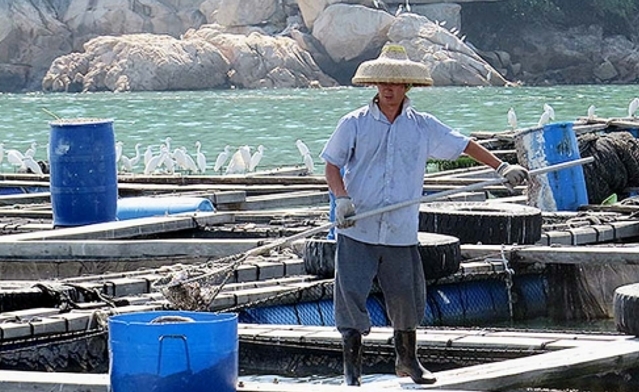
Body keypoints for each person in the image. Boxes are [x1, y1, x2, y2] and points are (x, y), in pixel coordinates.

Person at [320, 44, 528, 386]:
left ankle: (408, 362)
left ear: (407, 87)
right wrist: (341, 199)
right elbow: (331, 165)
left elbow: (463, 145)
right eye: (383, 83)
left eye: (396, 83)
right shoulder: (354, 123)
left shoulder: (423, 126)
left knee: (406, 297)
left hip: (400, 229)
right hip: (357, 226)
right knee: (350, 297)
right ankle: (352, 373)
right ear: (375, 86)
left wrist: (502, 166)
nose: (388, 89)